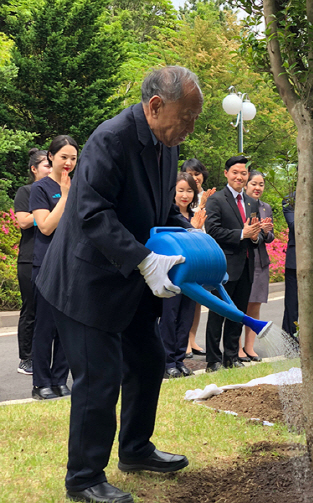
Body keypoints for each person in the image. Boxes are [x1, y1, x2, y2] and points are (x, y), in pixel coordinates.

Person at [36, 66, 202, 503]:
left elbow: (160, 209)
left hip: (129, 279)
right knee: (99, 378)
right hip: (86, 280)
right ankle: (84, 478)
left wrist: (191, 237)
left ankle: (135, 449)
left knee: (148, 361)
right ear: (155, 106)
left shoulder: (167, 144)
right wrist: (145, 260)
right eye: (186, 116)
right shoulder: (110, 138)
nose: (190, 127)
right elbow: (93, 214)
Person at [29, 135, 79, 400]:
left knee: (67, 328)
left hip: (73, 264)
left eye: (73, 158)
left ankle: (60, 380)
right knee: (45, 327)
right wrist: (67, 196)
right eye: (63, 157)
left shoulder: (81, 186)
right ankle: (41, 383)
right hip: (47, 264)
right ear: (51, 157)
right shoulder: (41, 188)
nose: (69, 162)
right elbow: (46, 226)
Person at [204, 156, 260, 372]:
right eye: (235, 172)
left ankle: (231, 356)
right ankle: (213, 360)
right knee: (218, 312)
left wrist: (254, 236)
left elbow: (254, 234)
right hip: (223, 266)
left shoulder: (251, 201)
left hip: (246, 265)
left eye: (244, 173)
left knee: (238, 313)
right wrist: (241, 233)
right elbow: (213, 230)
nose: (240, 176)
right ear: (227, 173)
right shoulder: (216, 199)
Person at [159, 172, 207, 378]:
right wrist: (192, 231)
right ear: (172, 192)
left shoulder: (196, 216)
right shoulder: (166, 215)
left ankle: (179, 360)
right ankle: (167, 361)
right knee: (169, 317)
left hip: (191, 273)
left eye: (189, 191)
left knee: (186, 317)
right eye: (180, 190)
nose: (185, 195)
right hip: (171, 274)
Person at [13, 148, 51, 376]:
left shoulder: (60, 191)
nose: (50, 168)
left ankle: (46, 357)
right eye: (45, 165)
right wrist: (48, 216)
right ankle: (26, 358)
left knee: (52, 311)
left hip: (53, 257)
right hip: (29, 258)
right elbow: (23, 221)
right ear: (34, 169)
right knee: (31, 310)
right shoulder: (26, 191)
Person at [281, 191, 313, 339]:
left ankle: (311, 340)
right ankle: (289, 341)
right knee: (292, 305)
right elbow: (296, 227)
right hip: (297, 259)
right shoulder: (290, 199)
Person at [180, 158, 215, 358]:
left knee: (198, 299)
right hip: (187, 251)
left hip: (203, 252)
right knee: (185, 296)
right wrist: (200, 205)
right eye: (190, 174)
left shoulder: (210, 196)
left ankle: (192, 339)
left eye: (197, 174)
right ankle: (182, 341)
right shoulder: (181, 194)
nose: (195, 178)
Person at [240, 170, 274, 362]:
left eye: (261, 184)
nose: (257, 188)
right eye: (254, 183)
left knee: (255, 304)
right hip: (243, 258)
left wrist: (266, 232)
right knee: (239, 304)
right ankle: (235, 347)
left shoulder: (265, 208)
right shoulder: (239, 205)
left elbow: (270, 237)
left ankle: (249, 347)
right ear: (246, 185)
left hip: (260, 260)